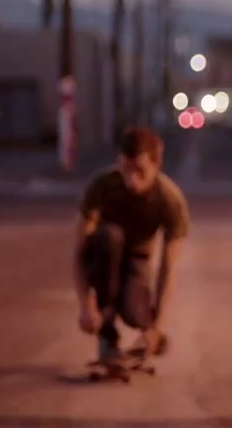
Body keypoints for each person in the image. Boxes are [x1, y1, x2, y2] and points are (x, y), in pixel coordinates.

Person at [74, 126, 190, 363]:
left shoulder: (169, 199)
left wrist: (157, 327)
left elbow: (168, 268)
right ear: (119, 162)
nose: (132, 180)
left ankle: (149, 335)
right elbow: (80, 253)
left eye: (140, 171)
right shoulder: (102, 186)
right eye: (126, 169)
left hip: (138, 258)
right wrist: (86, 306)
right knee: (110, 236)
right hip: (105, 254)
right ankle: (107, 335)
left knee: (136, 314)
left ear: (156, 165)